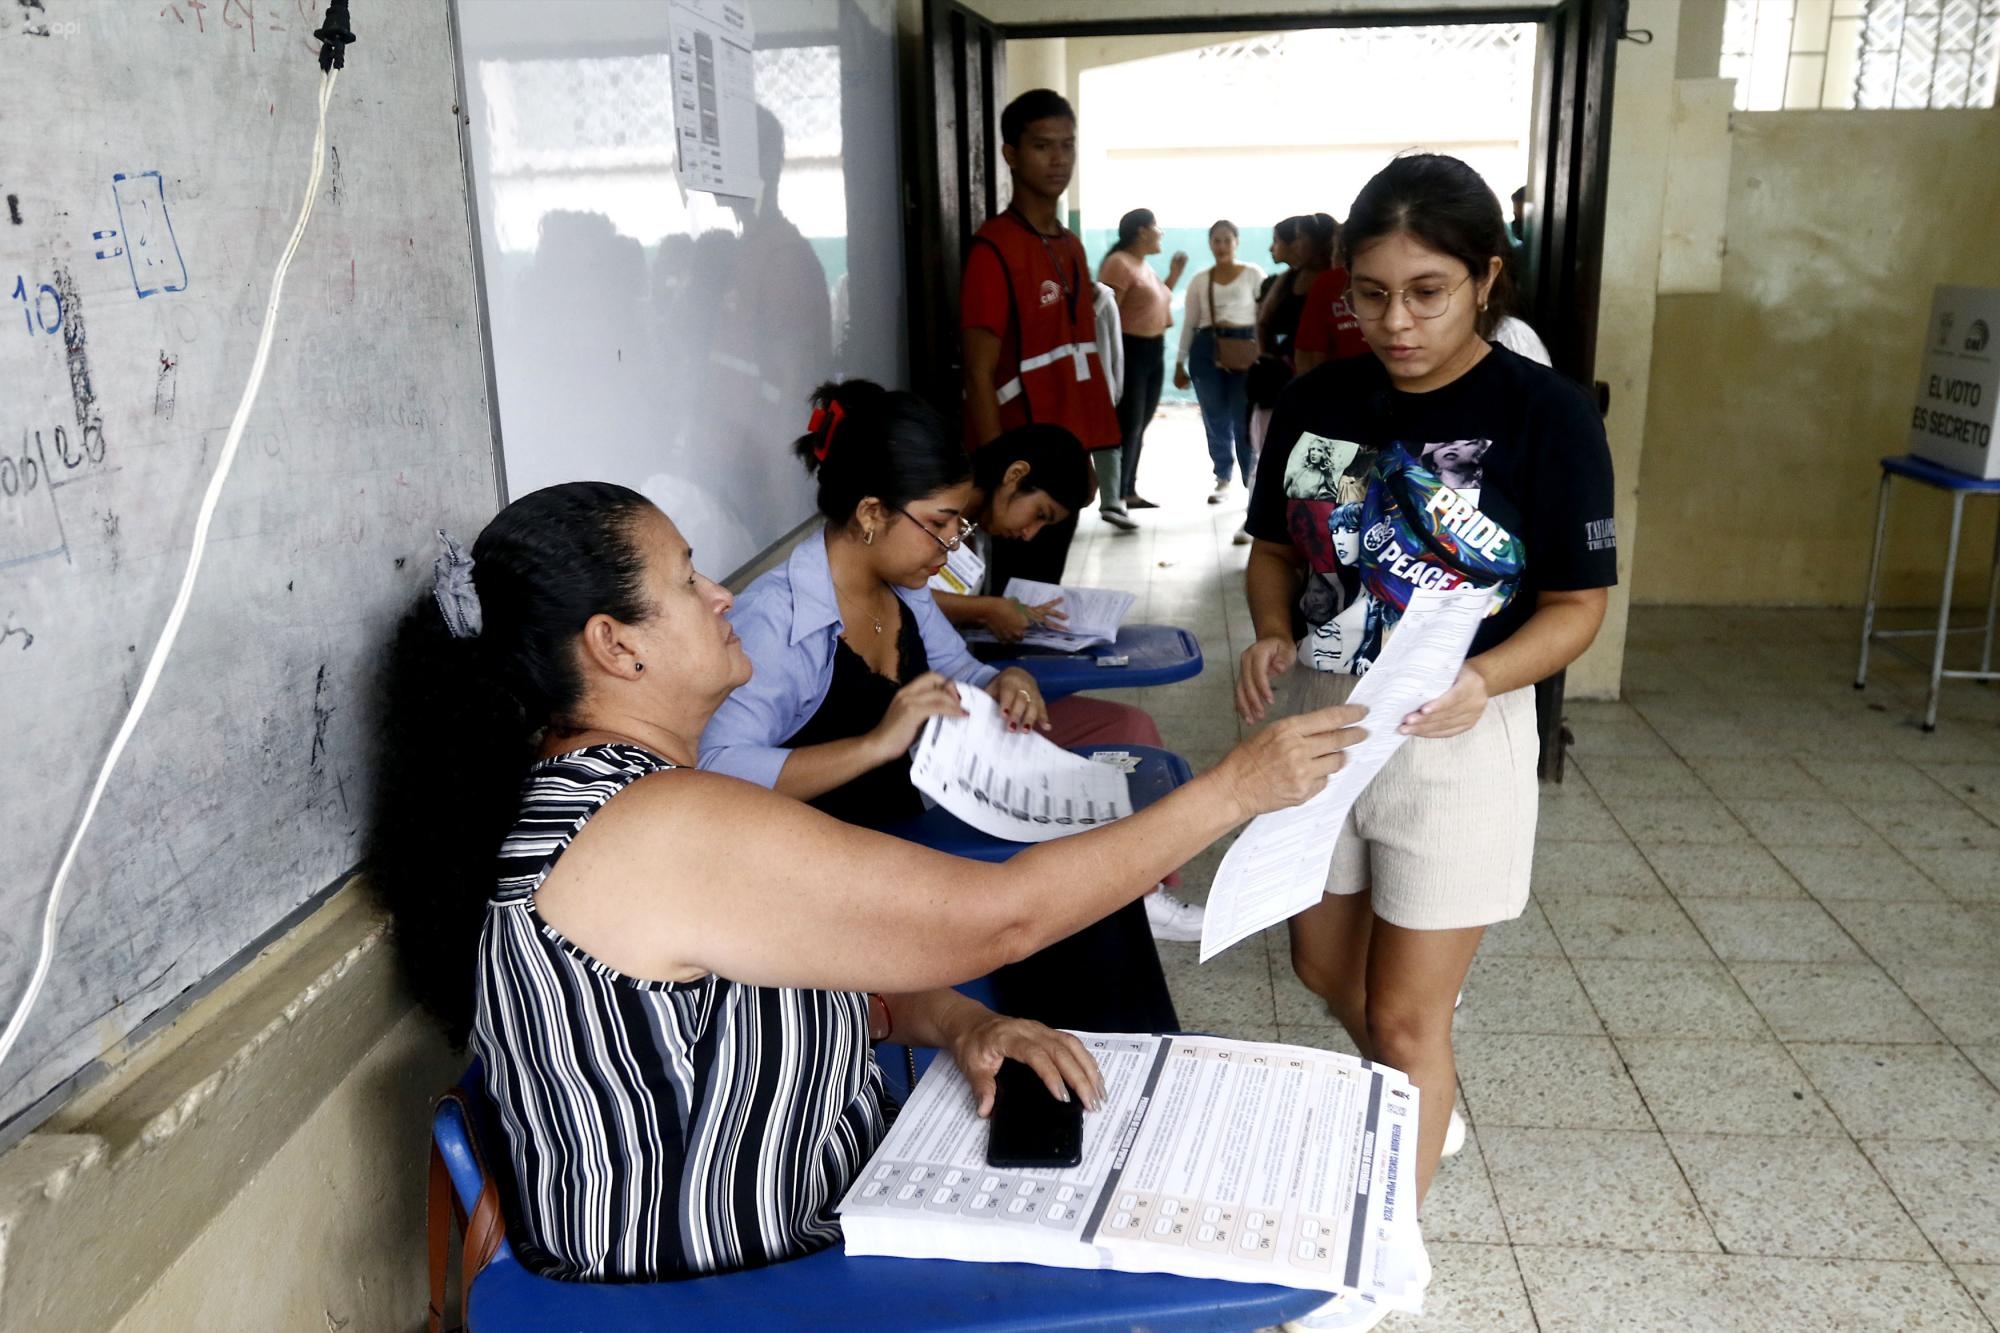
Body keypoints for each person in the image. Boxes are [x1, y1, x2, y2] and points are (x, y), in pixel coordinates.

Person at [371, 480, 1366, 1285]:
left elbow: (760, 991)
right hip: (720, 1279)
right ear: (615, 643)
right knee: (1151, 1221)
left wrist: (960, 1021)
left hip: (793, 1208)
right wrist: (1234, 789)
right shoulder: (652, 823)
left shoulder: (617, 799)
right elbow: (1003, 920)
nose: (721, 595)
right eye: (687, 579)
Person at [1237, 154, 1615, 1332]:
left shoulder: (1543, 415)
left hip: (1454, 730)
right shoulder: (1317, 400)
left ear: (1484, 279)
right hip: (1317, 719)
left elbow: (1576, 605)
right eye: (1369, 293)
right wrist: (1267, 630)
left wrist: (1483, 677)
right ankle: (1419, 1099)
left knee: (1407, 1019)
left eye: (1426, 292)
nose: (1393, 322)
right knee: (1319, 966)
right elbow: (1273, 550)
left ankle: (1379, 1260)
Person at [701, 383, 1202, 1011]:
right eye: (938, 525)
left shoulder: (903, 588)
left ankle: (1111, 1051)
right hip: (829, 868)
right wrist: (874, 745)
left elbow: (960, 666)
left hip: (911, 822)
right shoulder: (778, 621)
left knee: (1084, 877)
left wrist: (1004, 682)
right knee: (1050, 903)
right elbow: (716, 767)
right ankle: (1073, 1050)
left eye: (957, 524)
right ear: (871, 513)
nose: (951, 547)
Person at [926, 418, 1211, 941]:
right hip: (941, 727)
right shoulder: (931, 523)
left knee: (1130, 728)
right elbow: (909, 601)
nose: (1031, 533)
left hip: (972, 693)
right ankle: (1132, 891)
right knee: (1111, 741)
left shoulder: (968, 531)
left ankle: (1142, 886)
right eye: (1039, 514)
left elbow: (934, 629)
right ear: (1015, 476)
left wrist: (1006, 652)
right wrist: (986, 611)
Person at [962, 89, 1120, 588]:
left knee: (1042, 594)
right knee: (1013, 599)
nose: (1059, 159)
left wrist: (1082, 460)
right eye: (1042, 145)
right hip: (1019, 473)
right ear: (1010, 154)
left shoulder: (1070, 246)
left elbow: (1077, 367)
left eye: (1067, 145)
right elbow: (978, 374)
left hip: (1060, 464)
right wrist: (997, 483)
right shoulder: (993, 250)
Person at [1096, 208, 1186, 518]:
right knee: (1128, 424)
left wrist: (1173, 275)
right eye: (1156, 227)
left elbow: (1154, 301)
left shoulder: (1142, 264)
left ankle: (1128, 491)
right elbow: (1106, 315)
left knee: (1139, 424)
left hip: (1153, 350)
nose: (1161, 233)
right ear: (1141, 231)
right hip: (1130, 351)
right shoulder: (1118, 263)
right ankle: (1116, 495)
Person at [1174, 220, 1265, 507]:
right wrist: (1179, 361)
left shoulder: (1253, 274)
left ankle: (1250, 482)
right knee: (1214, 417)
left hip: (1244, 348)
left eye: (1227, 239)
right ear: (1210, 244)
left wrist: (1266, 353)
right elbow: (1190, 322)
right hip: (1206, 349)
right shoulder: (1200, 280)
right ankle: (1222, 476)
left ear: (1237, 242)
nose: (1222, 246)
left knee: (1243, 418)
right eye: (1216, 240)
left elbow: (1264, 315)